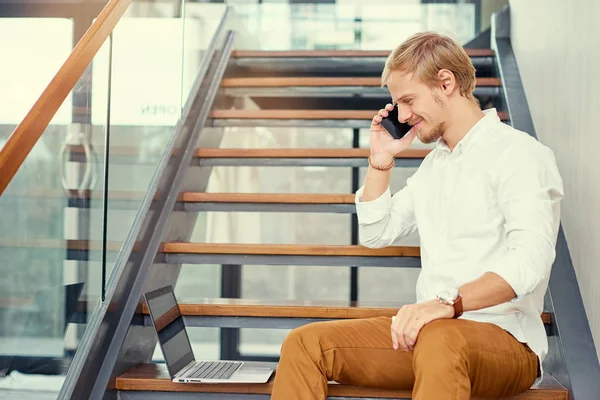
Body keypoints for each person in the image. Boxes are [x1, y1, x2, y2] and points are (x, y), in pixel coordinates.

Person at [270, 31, 564, 400]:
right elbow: (377, 233)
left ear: (446, 83)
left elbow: (529, 262)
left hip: (505, 340)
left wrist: (446, 305)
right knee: (305, 344)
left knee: (442, 338)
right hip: (427, 337)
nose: (403, 115)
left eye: (408, 100)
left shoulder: (519, 154)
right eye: (397, 103)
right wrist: (380, 161)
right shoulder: (434, 167)